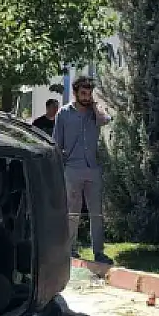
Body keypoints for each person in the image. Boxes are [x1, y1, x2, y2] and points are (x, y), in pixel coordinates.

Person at [54, 76, 114, 264]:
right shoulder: (64, 114)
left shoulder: (94, 112)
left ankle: (99, 252)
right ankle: (70, 249)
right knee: (73, 211)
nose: (86, 97)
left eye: (89, 93)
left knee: (96, 212)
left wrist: (95, 106)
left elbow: (105, 120)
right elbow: (56, 142)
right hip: (72, 168)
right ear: (75, 93)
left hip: (93, 168)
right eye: (83, 93)